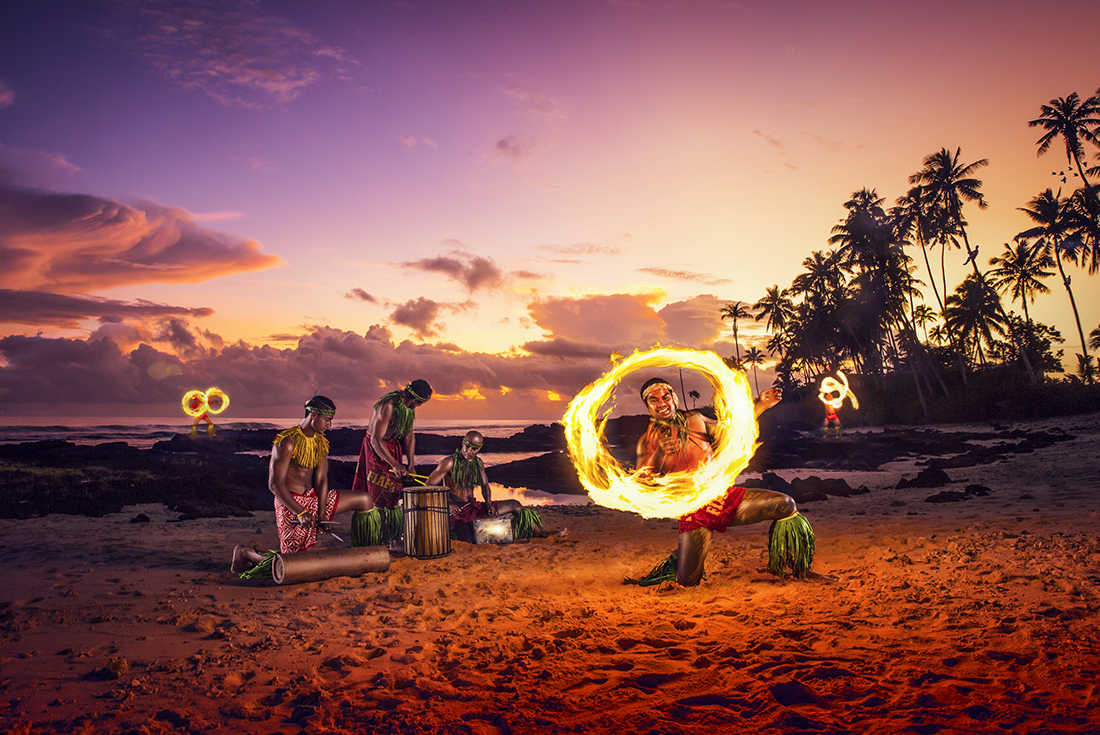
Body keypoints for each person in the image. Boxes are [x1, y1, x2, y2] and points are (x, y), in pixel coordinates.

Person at [628, 377, 825, 587]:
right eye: (654, 400)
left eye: (665, 397)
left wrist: (761, 405)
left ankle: (800, 569)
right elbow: (642, 485)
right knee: (688, 581)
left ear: (674, 398)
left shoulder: (696, 419)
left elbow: (730, 431)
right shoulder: (647, 441)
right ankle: (676, 562)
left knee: (786, 505)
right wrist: (659, 454)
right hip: (694, 512)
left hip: (723, 499)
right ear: (647, 405)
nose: (661, 404)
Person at [231, 395, 375, 574]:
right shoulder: (287, 441)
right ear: (313, 415)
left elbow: (321, 479)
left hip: (313, 499)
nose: (330, 425)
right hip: (291, 505)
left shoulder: (321, 442)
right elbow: (275, 484)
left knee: (364, 499)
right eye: (327, 420)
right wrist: (300, 512)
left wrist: (322, 514)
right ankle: (245, 553)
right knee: (291, 564)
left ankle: (367, 553)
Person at [425, 430, 556, 542]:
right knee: (472, 535)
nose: (468, 451)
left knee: (515, 505)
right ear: (462, 442)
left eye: (474, 449)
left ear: (480, 448)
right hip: (457, 512)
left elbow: (485, 485)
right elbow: (428, 487)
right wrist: (448, 504)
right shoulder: (449, 462)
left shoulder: (478, 463)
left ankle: (541, 533)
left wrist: (488, 502)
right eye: (466, 446)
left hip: (473, 507)